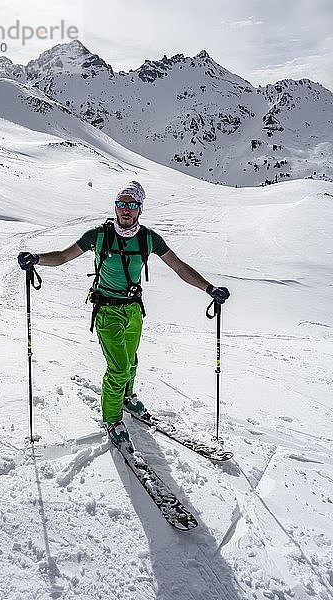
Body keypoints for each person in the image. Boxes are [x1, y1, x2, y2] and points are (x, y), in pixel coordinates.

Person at [18, 181, 230, 447]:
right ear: (115, 207)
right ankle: (112, 418)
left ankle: (127, 398)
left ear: (140, 209)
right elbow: (62, 256)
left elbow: (179, 267)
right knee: (118, 368)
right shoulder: (98, 235)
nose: (125, 210)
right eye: (121, 204)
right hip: (107, 309)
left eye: (131, 205)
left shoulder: (148, 238)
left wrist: (209, 288)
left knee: (131, 362)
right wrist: (36, 258)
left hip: (133, 309)